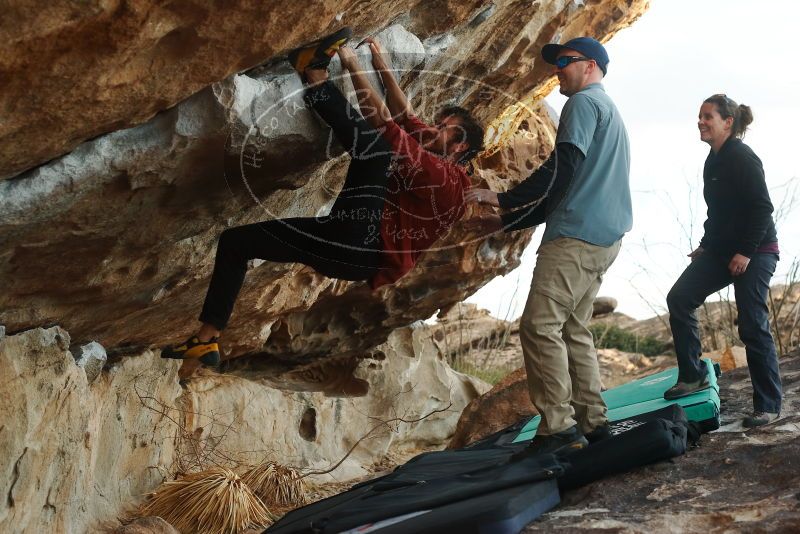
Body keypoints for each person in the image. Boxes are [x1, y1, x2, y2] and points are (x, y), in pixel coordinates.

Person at [161, 29, 484, 366]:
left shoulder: (447, 180)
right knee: (235, 242)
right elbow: (406, 117)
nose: (433, 129)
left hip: (363, 245)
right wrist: (381, 63)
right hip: (341, 250)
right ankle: (206, 339)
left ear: (460, 146)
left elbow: (385, 124)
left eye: (443, 127)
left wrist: (351, 65)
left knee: (376, 152)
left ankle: (313, 72)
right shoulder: (439, 159)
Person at [466, 37, 631, 456]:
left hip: (575, 238)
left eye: (565, 61)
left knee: (539, 327)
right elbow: (567, 176)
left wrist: (503, 204)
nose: (557, 69)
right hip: (605, 239)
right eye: (556, 62)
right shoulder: (610, 112)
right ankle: (593, 423)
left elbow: (560, 172)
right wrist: (510, 216)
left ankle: (557, 428)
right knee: (574, 329)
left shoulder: (583, 104)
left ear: (590, 66)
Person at [663, 94, 782, 428]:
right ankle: (693, 375)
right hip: (722, 250)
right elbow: (717, 212)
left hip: (757, 250)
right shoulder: (712, 160)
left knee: (751, 323)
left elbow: (761, 209)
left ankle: (768, 405)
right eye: (699, 116)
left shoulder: (743, 158)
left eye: (707, 117)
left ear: (728, 122)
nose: (701, 122)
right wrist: (706, 245)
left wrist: (745, 251)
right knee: (680, 297)